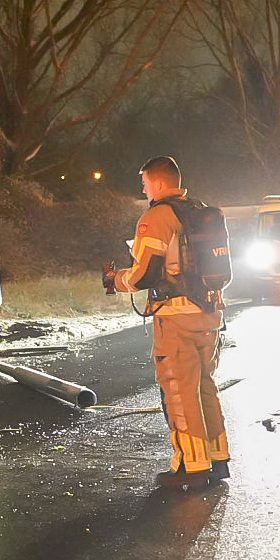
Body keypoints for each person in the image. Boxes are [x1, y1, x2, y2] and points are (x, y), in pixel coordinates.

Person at [106, 156, 230, 487]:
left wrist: (115, 280)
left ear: (159, 183)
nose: (144, 189)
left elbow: (144, 273)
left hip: (177, 317)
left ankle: (191, 468)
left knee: (179, 391)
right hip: (209, 313)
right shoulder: (200, 211)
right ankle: (218, 460)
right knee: (205, 387)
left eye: (145, 183)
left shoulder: (159, 216)